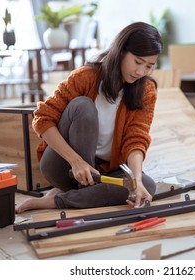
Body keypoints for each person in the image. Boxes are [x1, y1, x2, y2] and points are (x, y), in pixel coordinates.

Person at [15, 22, 163, 213]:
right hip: (65, 165)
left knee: (147, 186)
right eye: (137, 62)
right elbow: (43, 118)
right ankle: (84, 191)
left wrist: (137, 180)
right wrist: (77, 162)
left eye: (149, 66)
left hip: (103, 172)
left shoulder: (146, 90)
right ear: (121, 51)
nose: (141, 72)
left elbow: (136, 138)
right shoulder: (86, 76)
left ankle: (57, 199)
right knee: (82, 106)